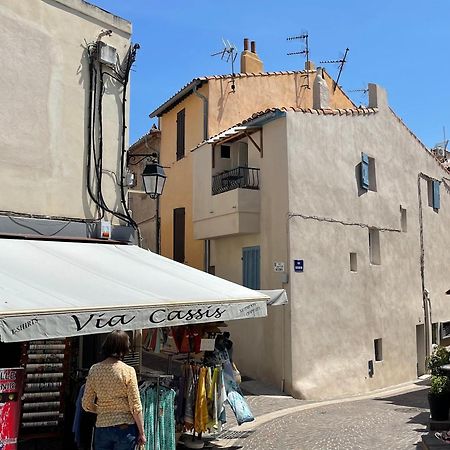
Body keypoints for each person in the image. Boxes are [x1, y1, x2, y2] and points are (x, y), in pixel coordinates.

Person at [82, 330, 146, 450]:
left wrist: (102, 409)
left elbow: (86, 404)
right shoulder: (128, 371)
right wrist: (142, 433)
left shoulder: (94, 370)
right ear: (124, 348)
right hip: (124, 428)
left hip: (102, 427)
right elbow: (135, 406)